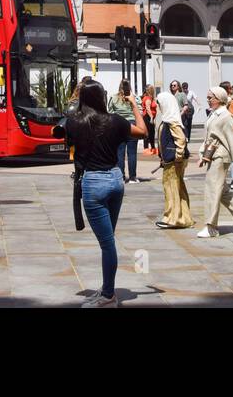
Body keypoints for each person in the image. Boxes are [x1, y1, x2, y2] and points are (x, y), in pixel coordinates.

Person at [65, 80, 147, 307]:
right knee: (108, 239)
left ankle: (108, 295)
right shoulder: (116, 121)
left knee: (107, 243)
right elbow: (142, 131)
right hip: (115, 179)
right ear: (102, 98)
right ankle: (107, 288)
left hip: (94, 183)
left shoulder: (75, 123)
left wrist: (77, 96)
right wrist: (134, 105)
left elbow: (64, 125)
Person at [197, 86, 233, 238]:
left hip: (220, 157)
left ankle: (211, 227)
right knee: (223, 192)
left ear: (219, 98)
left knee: (212, 190)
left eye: (211, 97)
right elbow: (209, 136)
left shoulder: (225, 116)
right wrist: (202, 154)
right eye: (208, 97)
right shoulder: (214, 114)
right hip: (212, 155)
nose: (208, 100)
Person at [155, 84, 192, 229]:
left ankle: (172, 218)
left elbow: (181, 139)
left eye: (159, 104)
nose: (159, 107)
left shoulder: (171, 121)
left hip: (173, 162)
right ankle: (183, 217)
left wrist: (177, 157)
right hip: (171, 160)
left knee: (170, 188)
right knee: (178, 188)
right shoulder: (170, 119)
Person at [108, 80, 139, 182]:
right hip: (132, 125)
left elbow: (110, 113)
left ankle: (121, 176)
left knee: (119, 153)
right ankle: (133, 177)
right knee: (132, 153)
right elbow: (140, 111)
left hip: (119, 125)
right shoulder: (135, 97)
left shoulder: (114, 98)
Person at [140, 87, 158, 155]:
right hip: (148, 117)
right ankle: (147, 148)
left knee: (151, 133)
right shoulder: (147, 98)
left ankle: (152, 148)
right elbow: (148, 109)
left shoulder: (150, 98)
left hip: (149, 117)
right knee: (149, 133)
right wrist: (151, 117)